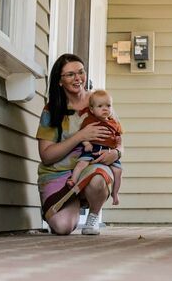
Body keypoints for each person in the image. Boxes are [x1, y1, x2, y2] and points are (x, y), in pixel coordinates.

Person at [36, 54, 122, 235]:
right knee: (62, 227)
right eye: (70, 74)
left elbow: (118, 140)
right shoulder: (52, 110)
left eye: (81, 72)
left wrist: (116, 154)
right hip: (57, 173)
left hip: (91, 166)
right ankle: (65, 201)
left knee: (98, 179)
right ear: (59, 81)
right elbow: (46, 155)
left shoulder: (100, 101)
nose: (78, 78)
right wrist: (80, 136)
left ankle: (93, 217)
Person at [69, 89, 123, 206]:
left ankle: (115, 193)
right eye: (100, 106)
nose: (105, 109)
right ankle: (73, 181)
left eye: (108, 106)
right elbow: (82, 135)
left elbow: (119, 139)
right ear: (92, 110)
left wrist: (117, 143)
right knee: (81, 164)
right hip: (93, 149)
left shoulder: (115, 123)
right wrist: (87, 144)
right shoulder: (89, 121)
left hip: (109, 151)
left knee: (118, 171)